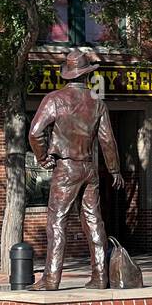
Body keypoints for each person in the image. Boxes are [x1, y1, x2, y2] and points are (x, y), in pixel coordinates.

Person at [27, 50, 124, 289]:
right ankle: (100, 276)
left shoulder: (54, 99)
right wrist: (114, 170)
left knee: (57, 221)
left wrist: (42, 158)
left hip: (67, 168)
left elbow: (35, 132)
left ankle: (51, 278)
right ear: (85, 75)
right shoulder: (96, 102)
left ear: (67, 75)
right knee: (93, 220)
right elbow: (108, 141)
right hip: (89, 168)